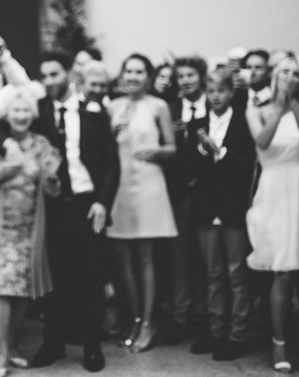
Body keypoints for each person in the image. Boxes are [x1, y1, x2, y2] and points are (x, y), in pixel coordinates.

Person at [29, 50, 119, 373]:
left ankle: (92, 345)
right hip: (52, 208)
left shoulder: (92, 112)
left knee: (90, 276)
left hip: (86, 204)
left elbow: (111, 163)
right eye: (44, 76)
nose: (48, 81)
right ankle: (53, 343)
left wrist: (102, 202)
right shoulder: (38, 112)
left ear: (69, 73)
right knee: (55, 277)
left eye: (54, 74)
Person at [245, 56, 299, 375]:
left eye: (296, 74)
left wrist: (294, 104)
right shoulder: (256, 111)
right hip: (274, 191)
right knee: (282, 272)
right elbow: (262, 141)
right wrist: (278, 107)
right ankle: (279, 343)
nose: (290, 77)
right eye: (285, 72)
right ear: (274, 77)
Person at [0, 85, 61, 377]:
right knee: (1, 288)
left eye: (26, 110)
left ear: (32, 114)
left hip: (31, 229)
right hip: (1, 228)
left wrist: (49, 178)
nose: (21, 115)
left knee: (23, 290)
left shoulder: (42, 145)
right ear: (7, 115)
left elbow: (53, 190)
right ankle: (2, 351)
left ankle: (11, 346)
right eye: (16, 110)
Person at [106, 53, 176, 352]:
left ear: (148, 76)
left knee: (146, 257)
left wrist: (158, 151)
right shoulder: (112, 107)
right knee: (123, 260)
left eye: (139, 72)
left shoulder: (158, 106)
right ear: (121, 75)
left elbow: (173, 147)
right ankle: (133, 318)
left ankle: (148, 322)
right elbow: (100, 148)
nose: (133, 76)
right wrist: (113, 132)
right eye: (128, 71)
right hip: (119, 185)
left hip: (148, 182)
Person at [189, 69, 256, 361]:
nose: (215, 96)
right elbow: (189, 166)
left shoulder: (243, 122)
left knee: (237, 275)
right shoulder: (198, 124)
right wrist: (203, 151)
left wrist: (222, 152)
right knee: (213, 275)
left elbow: (249, 163)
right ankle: (216, 333)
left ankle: (237, 335)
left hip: (234, 208)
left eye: (221, 91)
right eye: (211, 91)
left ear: (231, 93)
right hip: (206, 208)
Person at [164, 55, 210, 351]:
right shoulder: (171, 109)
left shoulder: (217, 107)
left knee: (205, 260)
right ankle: (180, 317)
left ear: (201, 77)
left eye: (190, 75)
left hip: (209, 194)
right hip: (179, 194)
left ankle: (204, 318)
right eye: (181, 77)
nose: (185, 81)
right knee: (178, 258)